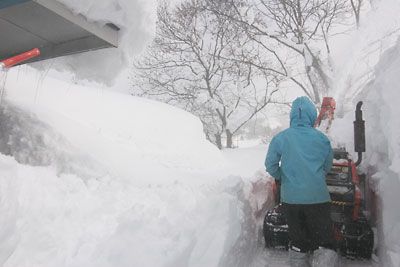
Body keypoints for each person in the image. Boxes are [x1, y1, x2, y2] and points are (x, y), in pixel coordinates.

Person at [265, 96, 338, 267]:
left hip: (291, 201)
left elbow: (270, 165)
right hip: (318, 199)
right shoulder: (322, 139)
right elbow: (327, 167)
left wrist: (283, 176)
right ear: (313, 116)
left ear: (292, 116)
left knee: (298, 240)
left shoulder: (281, 138)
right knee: (324, 240)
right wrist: (315, 177)